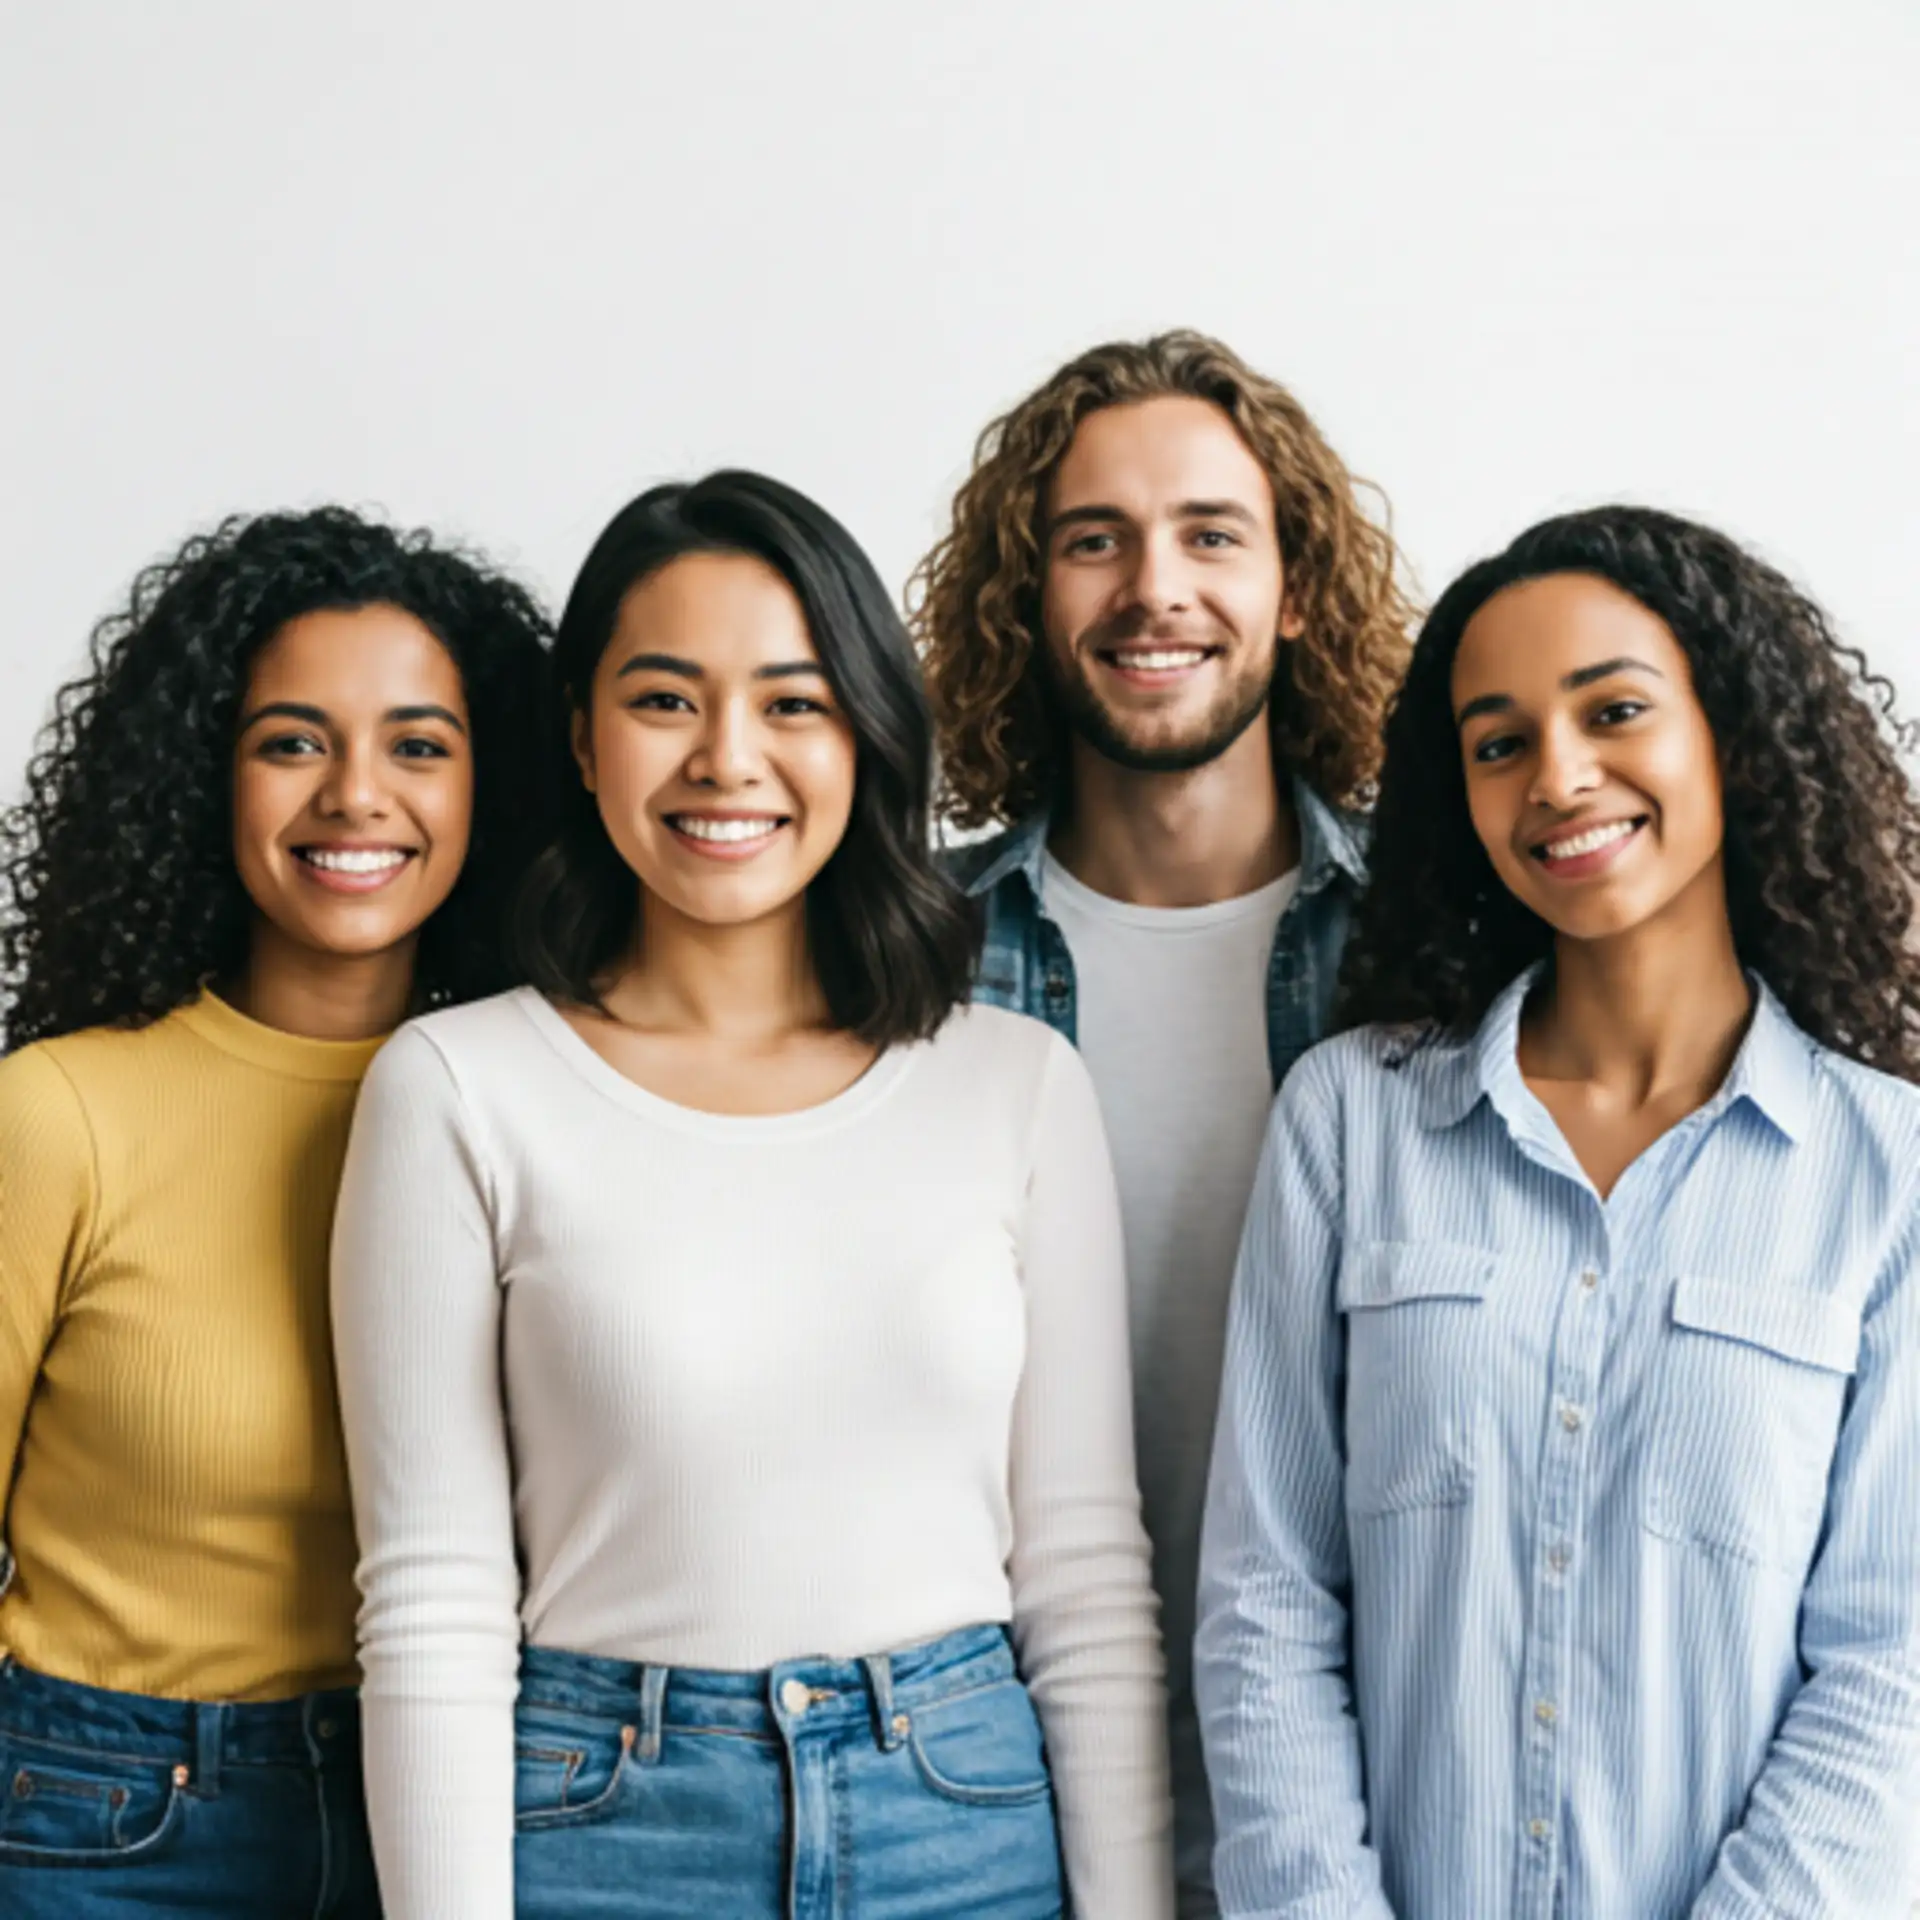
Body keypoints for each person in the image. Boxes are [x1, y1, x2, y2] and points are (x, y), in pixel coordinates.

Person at [330, 469, 1174, 1920]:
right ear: (584, 743)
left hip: (964, 1821)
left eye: (793, 703)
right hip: (604, 1827)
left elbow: (1087, 1583)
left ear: (865, 738)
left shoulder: (1015, 1083)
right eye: (665, 700)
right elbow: (434, 1604)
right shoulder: (457, 1087)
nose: (728, 758)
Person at [1195, 504, 1920, 1917]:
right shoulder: (1350, 1123)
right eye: (1500, 740)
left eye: (1616, 710)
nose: (1560, 777)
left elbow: (1894, 1670)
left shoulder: (1890, 1175)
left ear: (1730, 735)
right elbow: (1268, 1608)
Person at [913, 329, 1415, 1915]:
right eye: (1093, 541)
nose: (1154, 590)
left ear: (1296, 588)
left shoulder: (1436, 950)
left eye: (1211, 533)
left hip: (1372, 1808)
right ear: (1022, 593)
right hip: (988, 1811)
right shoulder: (904, 961)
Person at [0, 507, 552, 1916]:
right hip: (111, 1824)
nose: (357, 794)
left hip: (472, 1807)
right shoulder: (59, 1113)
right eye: (292, 741)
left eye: (419, 745)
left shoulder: (540, 1106)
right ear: (206, 776)